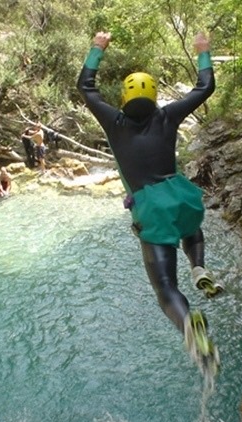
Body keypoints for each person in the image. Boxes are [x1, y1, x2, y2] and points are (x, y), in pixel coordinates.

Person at [77, 30, 224, 376]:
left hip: (151, 210)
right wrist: (203, 51)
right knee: (190, 226)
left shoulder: (114, 122)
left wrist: (98, 48)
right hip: (180, 197)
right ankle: (199, 266)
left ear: (125, 96)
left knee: (166, 290)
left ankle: (190, 325)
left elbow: (86, 87)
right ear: (155, 96)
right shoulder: (168, 116)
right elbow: (205, 88)